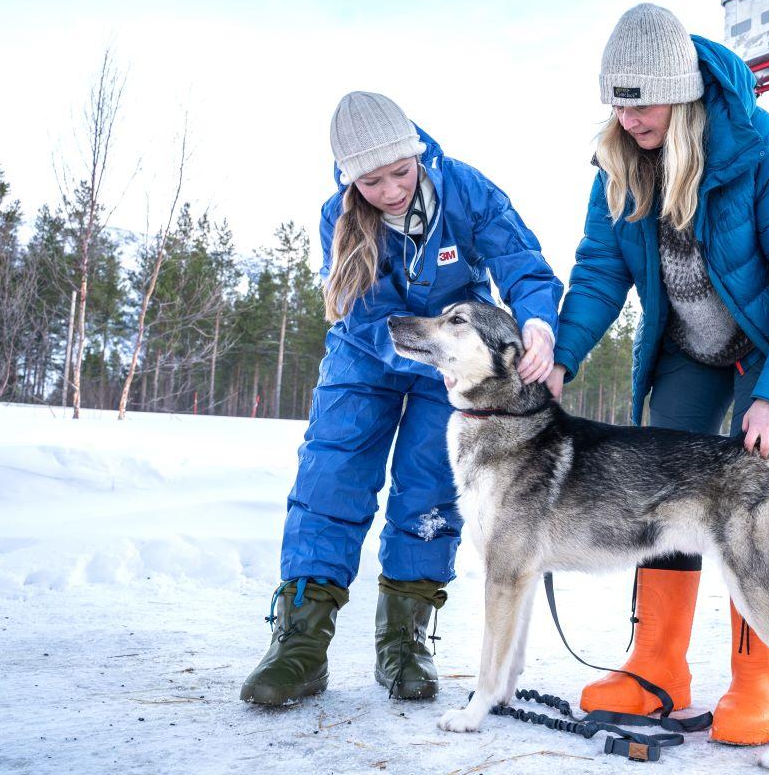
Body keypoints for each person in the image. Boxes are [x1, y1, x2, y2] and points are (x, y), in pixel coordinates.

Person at [546, 4, 769, 745]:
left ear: (680, 95)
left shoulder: (759, 148)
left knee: (756, 501)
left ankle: (758, 681)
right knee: (659, 488)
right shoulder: (620, 164)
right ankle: (658, 667)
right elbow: (598, 274)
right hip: (690, 346)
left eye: (643, 104)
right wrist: (560, 355)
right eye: (617, 105)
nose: (629, 120)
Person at [241, 92, 562, 705]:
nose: (389, 191)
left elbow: (521, 262)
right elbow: (364, 312)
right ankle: (299, 645)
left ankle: (404, 642)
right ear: (348, 180)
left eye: (399, 172)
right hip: (366, 355)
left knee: (429, 484)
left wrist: (538, 323)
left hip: (452, 356)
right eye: (371, 181)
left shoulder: (465, 190)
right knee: (331, 474)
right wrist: (413, 354)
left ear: (418, 155)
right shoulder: (337, 217)